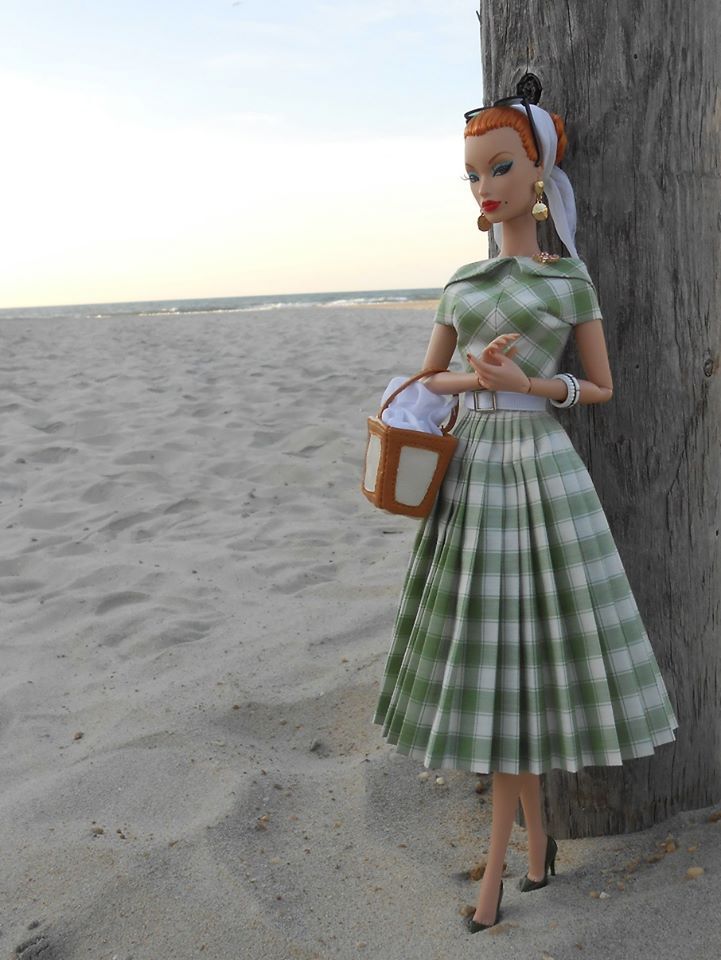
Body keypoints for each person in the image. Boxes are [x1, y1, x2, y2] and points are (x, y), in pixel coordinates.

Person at [371, 75, 679, 934]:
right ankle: (532, 850)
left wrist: (528, 383)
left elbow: (600, 388)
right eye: (472, 174)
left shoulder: (566, 279)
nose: (484, 187)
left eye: (499, 167)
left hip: (540, 468)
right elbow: (428, 378)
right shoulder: (462, 282)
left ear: (537, 171)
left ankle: (502, 877)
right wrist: (477, 378)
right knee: (491, 654)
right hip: (472, 469)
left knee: (530, 656)